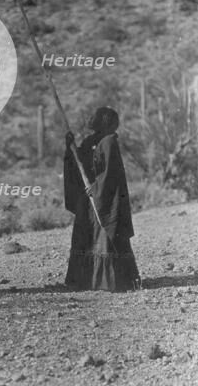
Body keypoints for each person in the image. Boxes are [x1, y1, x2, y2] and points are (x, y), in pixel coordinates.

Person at [63, 107, 141, 291]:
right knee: (87, 235)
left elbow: (110, 173)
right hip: (89, 197)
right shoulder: (93, 140)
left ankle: (112, 281)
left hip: (103, 199)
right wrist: (70, 147)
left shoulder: (109, 142)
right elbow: (79, 162)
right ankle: (84, 280)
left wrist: (96, 188)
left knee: (105, 234)